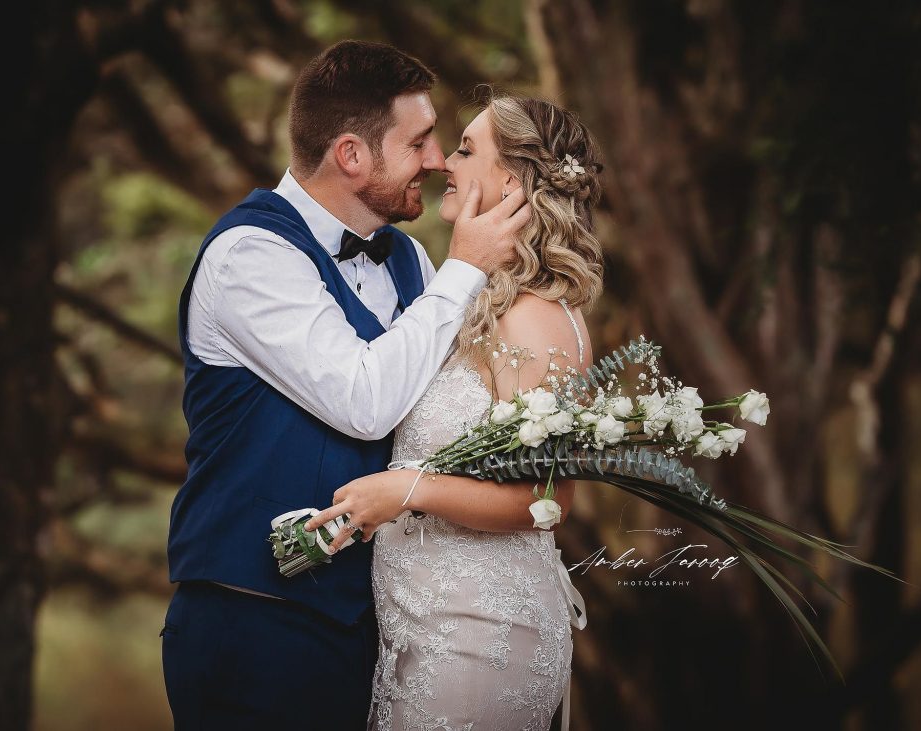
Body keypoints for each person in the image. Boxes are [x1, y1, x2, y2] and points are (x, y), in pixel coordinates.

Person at [161, 41, 531, 730]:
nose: (437, 159)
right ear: (352, 155)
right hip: (256, 624)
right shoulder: (249, 255)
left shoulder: (410, 260)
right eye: (418, 141)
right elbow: (365, 402)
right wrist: (467, 267)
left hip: (381, 628)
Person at [305, 93, 604, 730]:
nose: (443, 162)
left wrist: (407, 489)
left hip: (480, 634)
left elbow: (547, 499)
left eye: (466, 150)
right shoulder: (478, 303)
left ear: (511, 183)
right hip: (425, 625)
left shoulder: (534, 318)